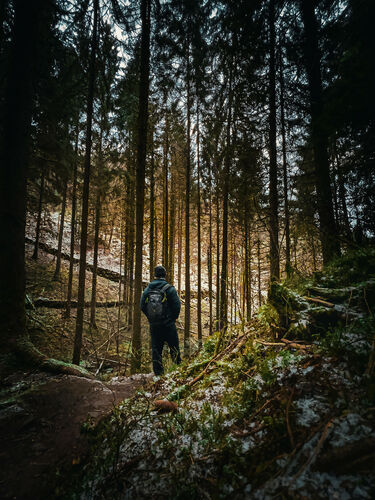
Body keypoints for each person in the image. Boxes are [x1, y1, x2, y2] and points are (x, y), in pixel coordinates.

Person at [140, 265, 181, 376]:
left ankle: (158, 375)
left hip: (155, 326)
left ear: (155, 275)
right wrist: (171, 319)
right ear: (165, 275)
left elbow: (142, 305)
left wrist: (150, 318)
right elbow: (177, 306)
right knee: (174, 348)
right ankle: (177, 371)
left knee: (156, 350)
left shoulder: (148, 289)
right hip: (168, 325)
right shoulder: (170, 289)